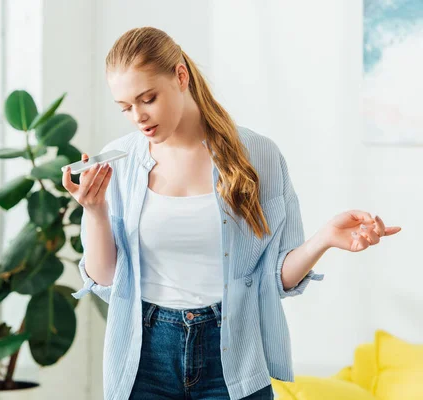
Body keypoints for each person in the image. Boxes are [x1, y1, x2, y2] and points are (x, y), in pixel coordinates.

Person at [61, 26, 401, 400]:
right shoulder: (122, 162)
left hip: (233, 354)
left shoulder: (258, 156)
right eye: (126, 107)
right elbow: (108, 282)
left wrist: (324, 240)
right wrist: (94, 211)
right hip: (145, 354)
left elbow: (274, 280)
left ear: (180, 75)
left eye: (148, 99)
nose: (138, 117)